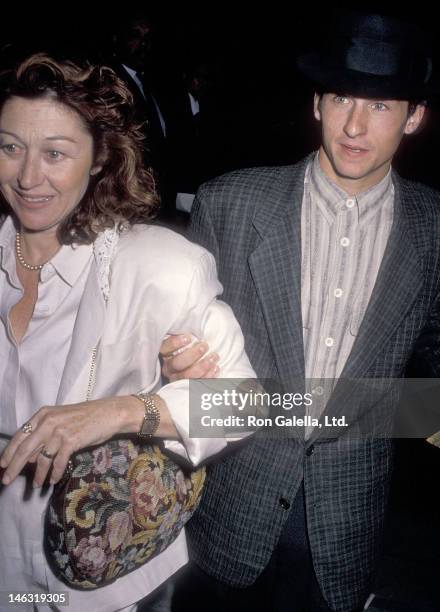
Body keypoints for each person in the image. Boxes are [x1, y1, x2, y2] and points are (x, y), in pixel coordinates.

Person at [159, 11, 440, 612]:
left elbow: (433, 370)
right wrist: (175, 364)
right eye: (341, 97)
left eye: (383, 104)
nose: (356, 125)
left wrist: (400, 412)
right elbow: (182, 368)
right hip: (231, 510)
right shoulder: (230, 203)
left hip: (349, 527)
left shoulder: (435, 227)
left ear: (414, 117)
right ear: (317, 103)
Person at [0, 54, 255, 612]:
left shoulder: (160, 265)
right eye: (10, 146)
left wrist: (119, 411)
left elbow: (245, 405)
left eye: (56, 154)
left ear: (98, 161)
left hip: (103, 582)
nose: (27, 176)